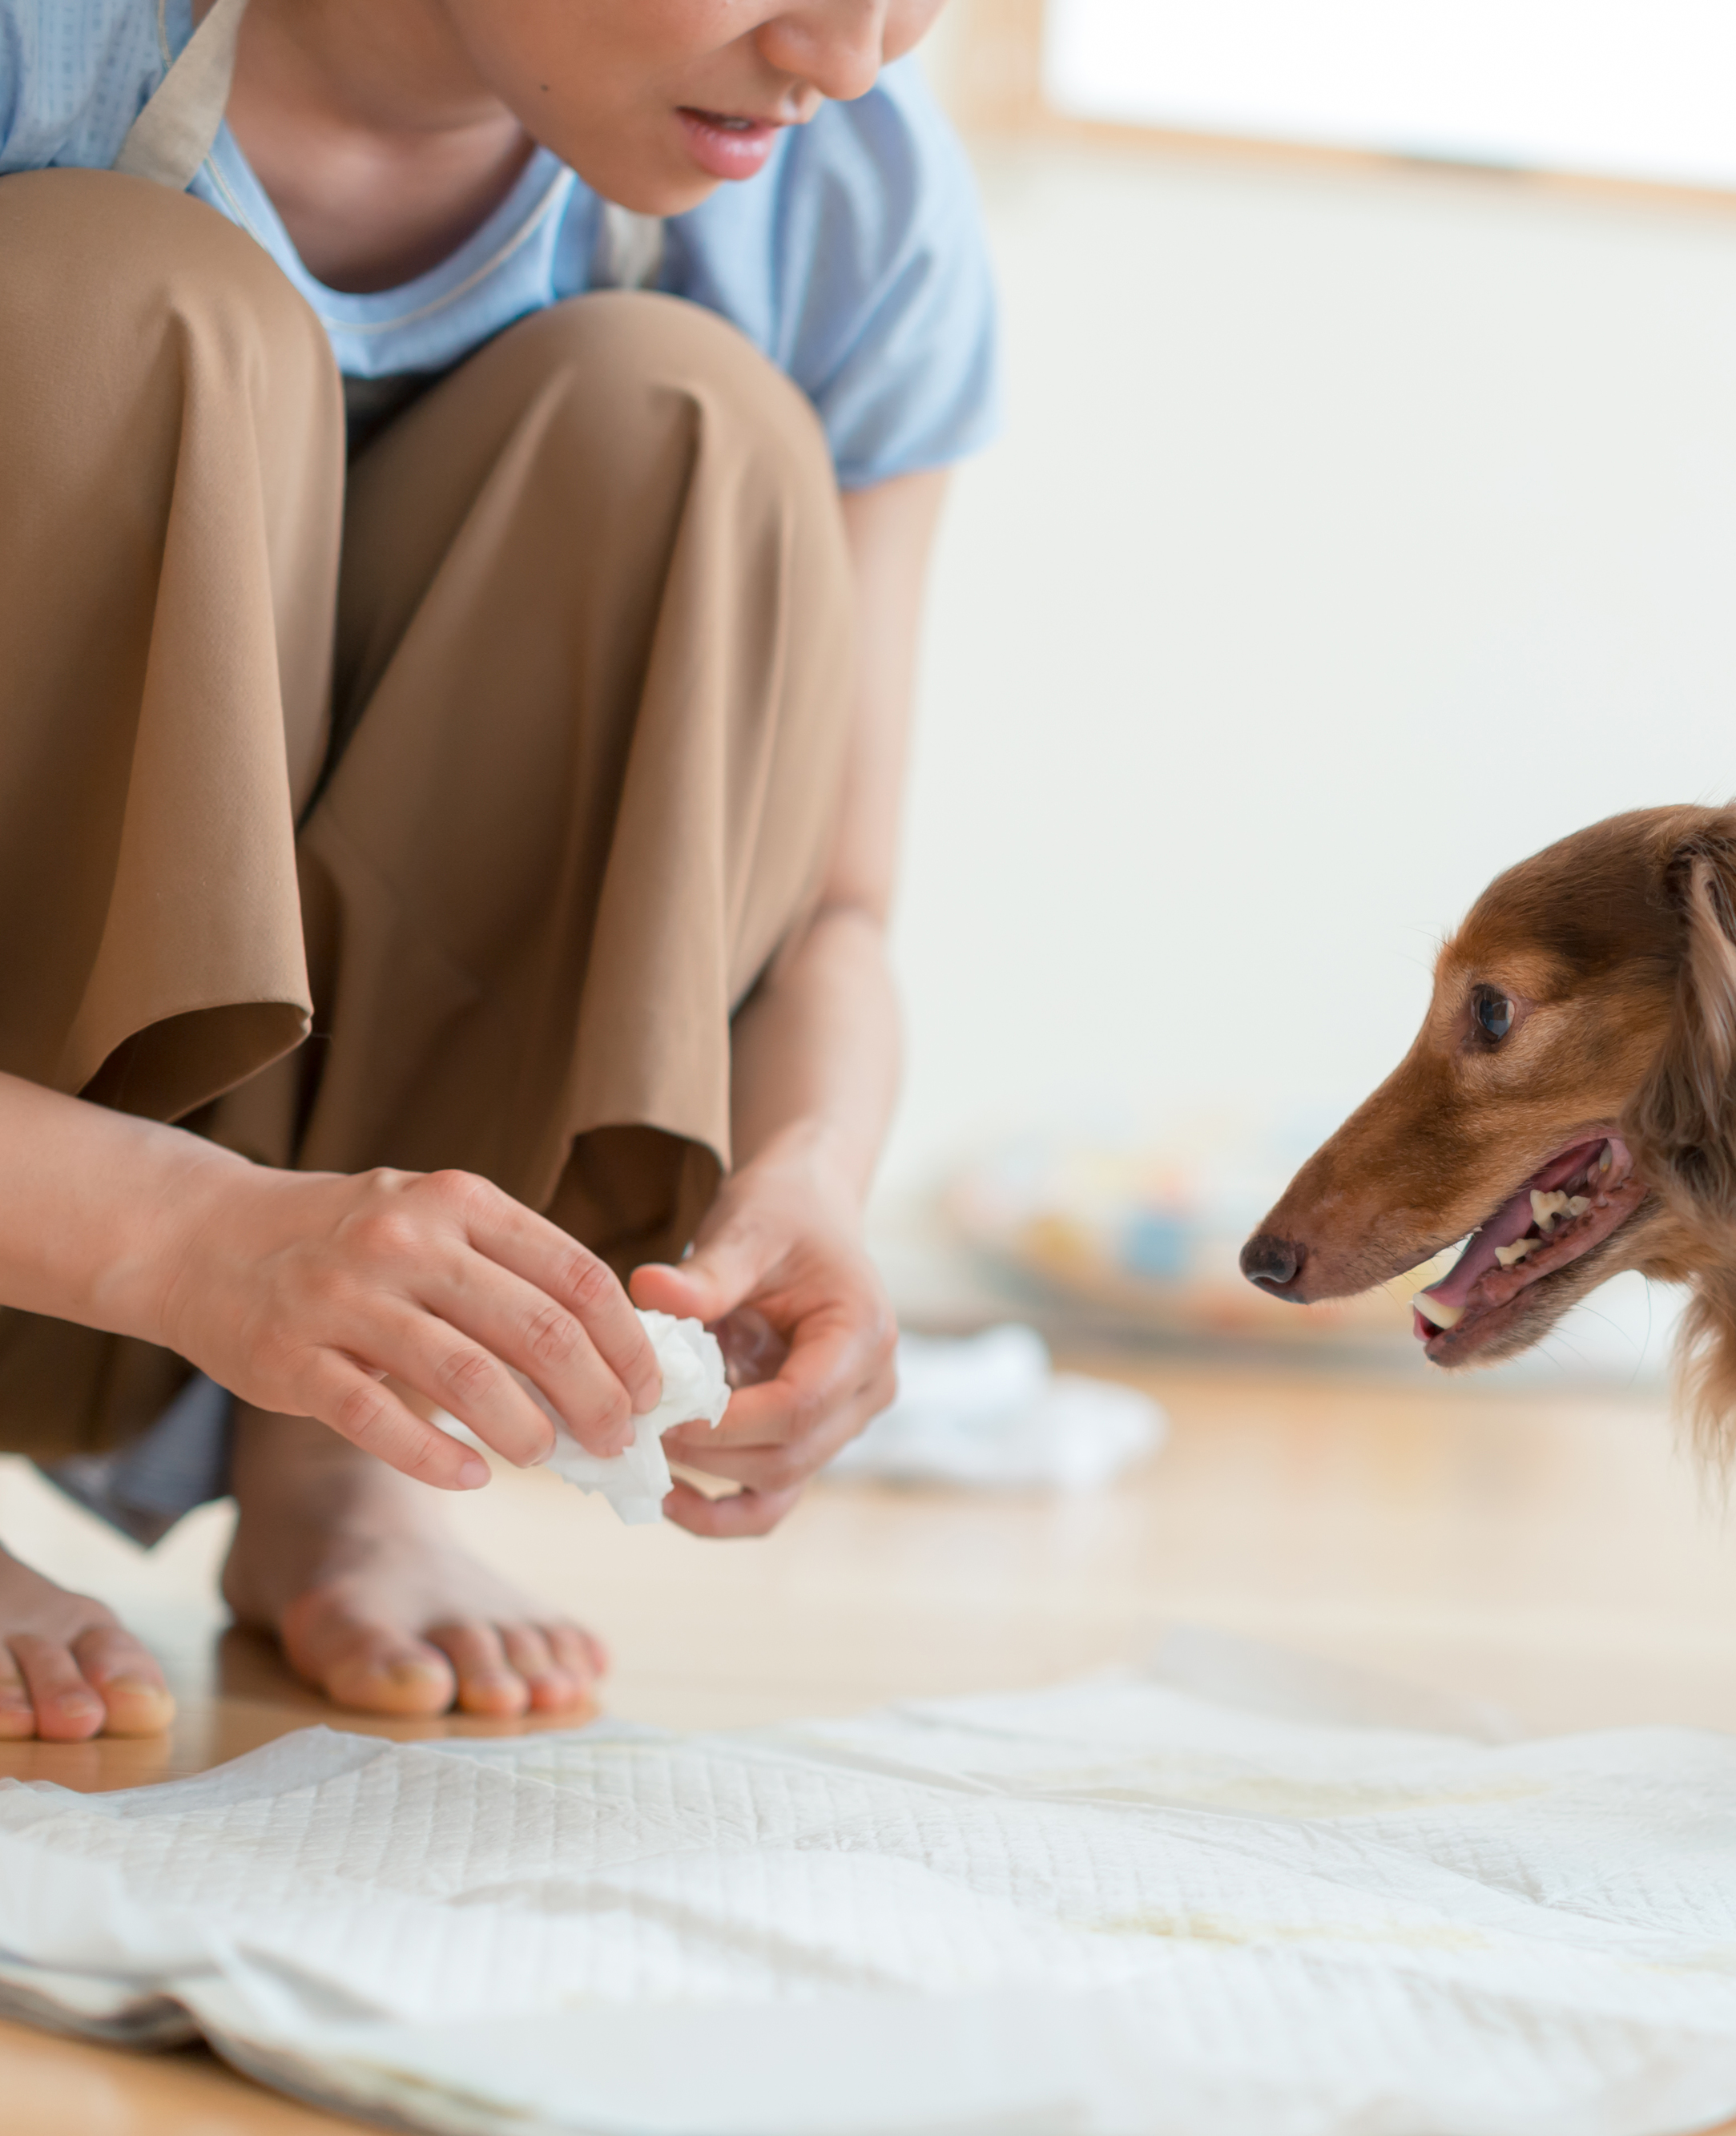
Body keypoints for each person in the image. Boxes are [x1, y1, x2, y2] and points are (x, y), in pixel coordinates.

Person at [0, 0, 993, 1736]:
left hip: (278, 1250)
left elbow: (837, 909)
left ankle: (342, 1463)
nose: (846, 56)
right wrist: (179, 1232)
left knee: (682, 418)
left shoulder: (843, 204)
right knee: (114, 307)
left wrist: (813, 1174)